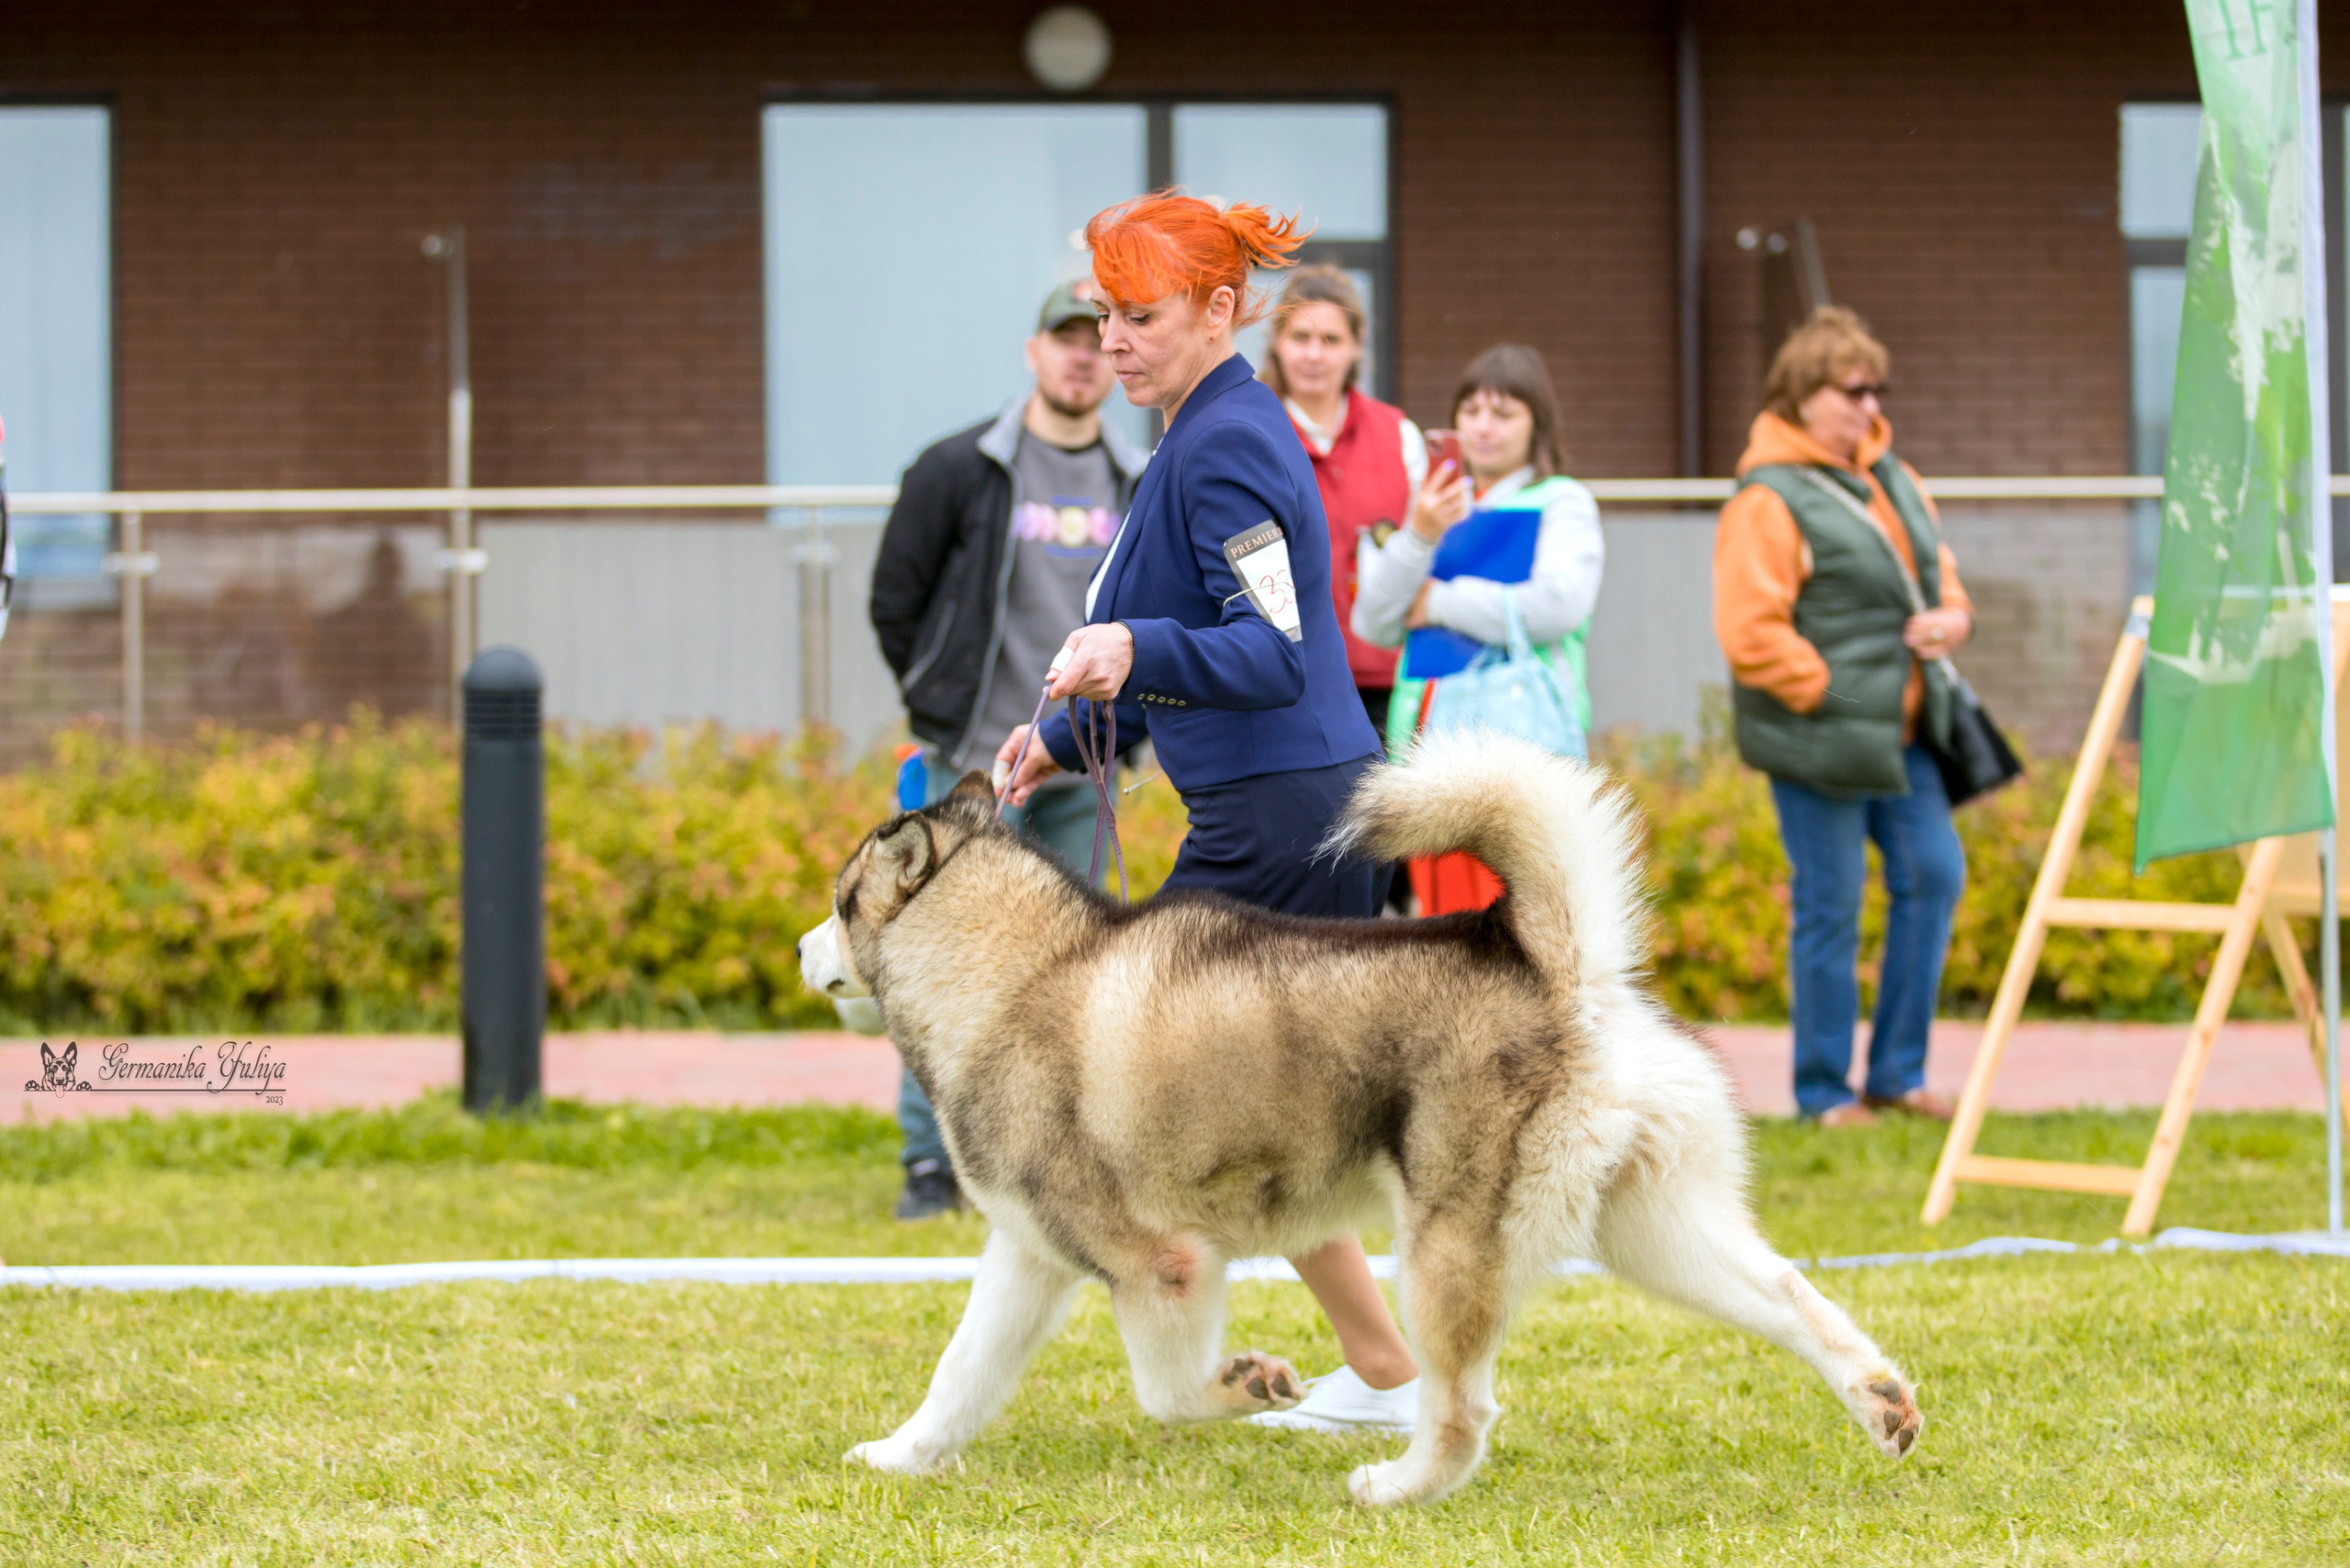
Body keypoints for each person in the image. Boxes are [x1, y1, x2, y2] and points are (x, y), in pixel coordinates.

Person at [996, 190, 1420, 1434]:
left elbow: (1275, 650)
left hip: (1284, 821)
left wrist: (1128, 643)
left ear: (1222, 311)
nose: (1113, 336)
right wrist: (1064, 738)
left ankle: (1216, 1359)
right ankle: (1388, 1371)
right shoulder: (1198, 430)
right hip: (1279, 811)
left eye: (1143, 314)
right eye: (1105, 314)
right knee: (1247, 1113)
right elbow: (1185, 654)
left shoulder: (1227, 441)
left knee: (1125, 1073)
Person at [868, 278, 1148, 1217]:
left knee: (1068, 966)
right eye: (1062, 339)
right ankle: (927, 1161)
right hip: (968, 761)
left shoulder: (1135, 482)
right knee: (937, 951)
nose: (1079, 355)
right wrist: (939, 703)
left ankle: (1048, 1148)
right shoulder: (961, 469)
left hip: (1082, 762)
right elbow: (894, 599)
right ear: (1033, 353)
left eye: (1092, 340)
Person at [1713, 306, 1972, 1127]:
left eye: (1877, 389)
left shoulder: (1896, 476)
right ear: (1801, 395)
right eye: (1852, 389)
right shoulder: (1767, 497)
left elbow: (1941, 575)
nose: (1870, 405)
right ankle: (1823, 1092)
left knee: (1935, 874)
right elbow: (1750, 633)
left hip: (1903, 738)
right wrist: (1836, 695)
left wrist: (1951, 620)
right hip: (1819, 736)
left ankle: (1897, 1074)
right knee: (1831, 907)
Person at [1349, 345, 1604, 764]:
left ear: (1536, 424)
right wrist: (1418, 537)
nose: (1483, 428)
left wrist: (1439, 603)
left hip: (1525, 748)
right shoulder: (1433, 507)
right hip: (1424, 746)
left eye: (1503, 415)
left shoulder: (1562, 501)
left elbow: (1557, 607)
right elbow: (1373, 623)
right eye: (1471, 412)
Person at [1262, 266, 1425, 740]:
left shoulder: (1399, 435)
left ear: (1357, 347)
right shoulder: (1249, 433)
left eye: (1331, 339)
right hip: (1284, 686)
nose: (1314, 354)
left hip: (1386, 686)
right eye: (1301, 337)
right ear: (1277, 342)